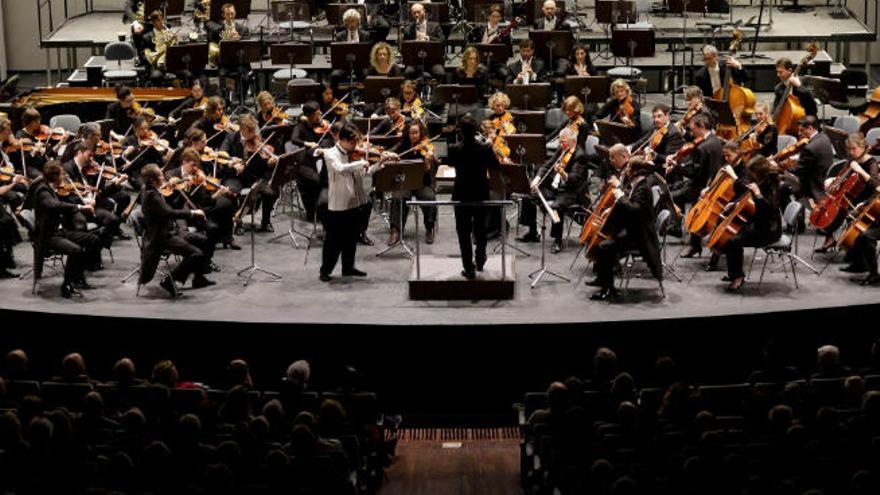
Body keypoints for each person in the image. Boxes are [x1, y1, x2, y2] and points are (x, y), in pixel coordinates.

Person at [317, 123, 387, 282]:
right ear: (342, 139)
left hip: (354, 201)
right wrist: (360, 163)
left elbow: (366, 172)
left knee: (351, 239)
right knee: (333, 241)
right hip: (338, 204)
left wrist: (379, 163)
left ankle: (348, 268)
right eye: (352, 142)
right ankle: (325, 271)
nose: (355, 146)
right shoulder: (330, 154)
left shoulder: (353, 154)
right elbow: (341, 168)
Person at [589, 157, 663, 300]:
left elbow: (634, 209)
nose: (626, 170)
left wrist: (621, 197)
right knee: (602, 243)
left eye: (629, 168)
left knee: (605, 246)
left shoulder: (643, 187)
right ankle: (602, 280)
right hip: (634, 230)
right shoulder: (638, 184)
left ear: (635, 171)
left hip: (640, 237)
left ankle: (608, 289)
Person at [137, 163, 215, 297]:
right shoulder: (152, 196)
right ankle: (169, 281)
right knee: (196, 254)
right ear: (152, 180)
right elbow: (169, 212)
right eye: (160, 175)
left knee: (203, 242)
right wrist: (192, 213)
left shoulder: (150, 190)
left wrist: (181, 190)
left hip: (167, 232)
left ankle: (198, 278)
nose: (164, 178)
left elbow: (173, 206)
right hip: (161, 238)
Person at [28, 161, 101, 298]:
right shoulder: (42, 190)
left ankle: (78, 277)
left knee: (93, 239)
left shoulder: (51, 189)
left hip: (60, 232)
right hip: (48, 236)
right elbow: (55, 205)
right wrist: (80, 207)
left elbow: (63, 202)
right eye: (61, 174)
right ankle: (66, 285)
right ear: (55, 176)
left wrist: (83, 199)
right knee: (76, 250)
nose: (64, 176)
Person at [719, 155, 783, 292]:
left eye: (752, 172)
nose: (750, 175)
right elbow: (747, 198)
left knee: (733, 241)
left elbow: (769, 212)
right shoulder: (758, 181)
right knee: (728, 235)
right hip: (757, 224)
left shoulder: (774, 186)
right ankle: (734, 273)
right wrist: (734, 204)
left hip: (769, 230)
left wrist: (759, 195)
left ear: (759, 173)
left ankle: (738, 277)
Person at [448, 114, 500, 279]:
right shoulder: (485, 148)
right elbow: (495, 165)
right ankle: (480, 257)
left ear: (460, 132)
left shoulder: (454, 149)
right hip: (480, 192)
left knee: (463, 232)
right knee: (480, 229)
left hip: (462, 194)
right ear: (476, 130)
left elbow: (449, 163)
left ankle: (468, 268)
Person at [520, 127, 589, 253]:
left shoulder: (580, 156)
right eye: (560, 142)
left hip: (570, 191)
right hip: (555, 186)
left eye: (564, 142)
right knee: (528, 196)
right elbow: (547, 165)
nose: (561, 144)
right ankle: (532, 232)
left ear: (573, 141)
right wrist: (537, 179)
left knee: (556, 207)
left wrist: (563, 173)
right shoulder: (562, 149)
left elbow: (574, 179)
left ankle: (557, 240)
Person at [665, 113, 723, 259]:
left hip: (700, 187)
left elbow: (695, 174)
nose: (692, 133)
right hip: (712, 183)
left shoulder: (702, 147)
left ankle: (677, 226)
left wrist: (678, 166)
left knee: (672, 197)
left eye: (693, 130)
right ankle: (693, 244)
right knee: (677, 191)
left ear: (702, 127)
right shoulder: (715, 140)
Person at [218, 114, 279, 233]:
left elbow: (262, 163)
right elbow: (221, 155)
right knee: (231, 191)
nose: (254, 133)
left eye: (254, 129)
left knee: (272, 193)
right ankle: (238, 222)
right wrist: (232, 162)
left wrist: (269, 162)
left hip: (253, 175)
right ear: (242, 129)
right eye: (250, 130)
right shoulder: (231, 137)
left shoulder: (257, 138)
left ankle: (265, 222)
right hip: (235, 176)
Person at [385, 120, 438, 246]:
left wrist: (427, 161)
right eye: (411, 133)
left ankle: (429, 228)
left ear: (421, 133)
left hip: (423, 183)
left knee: (430, 198)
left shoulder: (426, 147)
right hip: (406, 183)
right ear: (407, 134)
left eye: (416, 133)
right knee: (397, 198)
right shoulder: (403, 145)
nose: (414, 136)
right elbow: (388, 153)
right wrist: (391, 155)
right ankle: (395, 230)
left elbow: (428, 172)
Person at [401, 3, 446, 82]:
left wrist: (427, 38)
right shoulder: (408, 29)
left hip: (432, 61)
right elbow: (405, 47)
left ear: (424, 11)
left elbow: (442, 41)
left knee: (440, 73)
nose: (417, 15)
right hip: (415, 61)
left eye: (418, 12)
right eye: (414, 13)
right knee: (408, 72)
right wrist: (415, 42)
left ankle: (436, 92)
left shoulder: (435, 26)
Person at [642, 104, 684, 171]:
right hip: (650, 161)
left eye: (659, 116)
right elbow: (643, 140)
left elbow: (669, 158)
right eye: (654, 117)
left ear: (667, 115)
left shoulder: (673, 133)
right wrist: (630, 147)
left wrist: (654, 155)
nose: (656, 120)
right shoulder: (655, 128)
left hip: (662, 168)